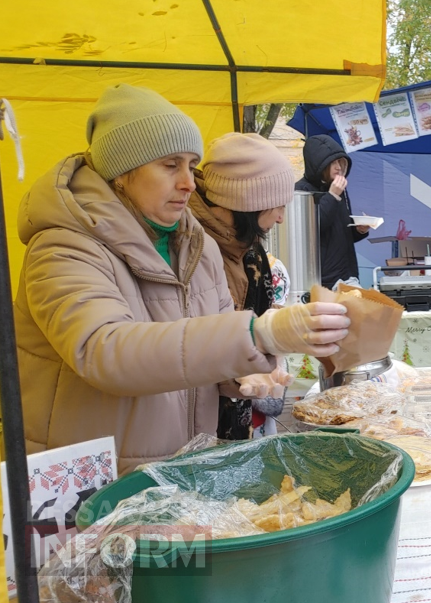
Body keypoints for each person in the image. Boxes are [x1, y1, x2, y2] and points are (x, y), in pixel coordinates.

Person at [14, 84, 350, 473]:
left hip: (181, 472)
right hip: (90, 485)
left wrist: (246, 370)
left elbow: (204, 354)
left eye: (192, 165)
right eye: (170, 165)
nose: (189, 182)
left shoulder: (196, 246)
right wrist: (258, 334)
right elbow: (104, 351)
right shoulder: (62, 247)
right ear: (121, 172)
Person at [188, 132, 298, 439]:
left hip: (244, 414)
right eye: (277, 206)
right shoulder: (189, 249)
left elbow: (256, 324)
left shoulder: (250, 249)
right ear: (246, 202)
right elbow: (186, 347)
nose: (280, 218)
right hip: (196, 428)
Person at [295, 134, 370, 288]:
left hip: (348, 274)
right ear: (319, 164)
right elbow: (313, 228)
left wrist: (359, 230)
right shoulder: (301, 190)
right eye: (332, 163)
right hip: (321, 280)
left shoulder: (339, 189)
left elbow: (340, 232)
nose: (338, 167)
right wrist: (332, 195)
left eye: (340, 162)